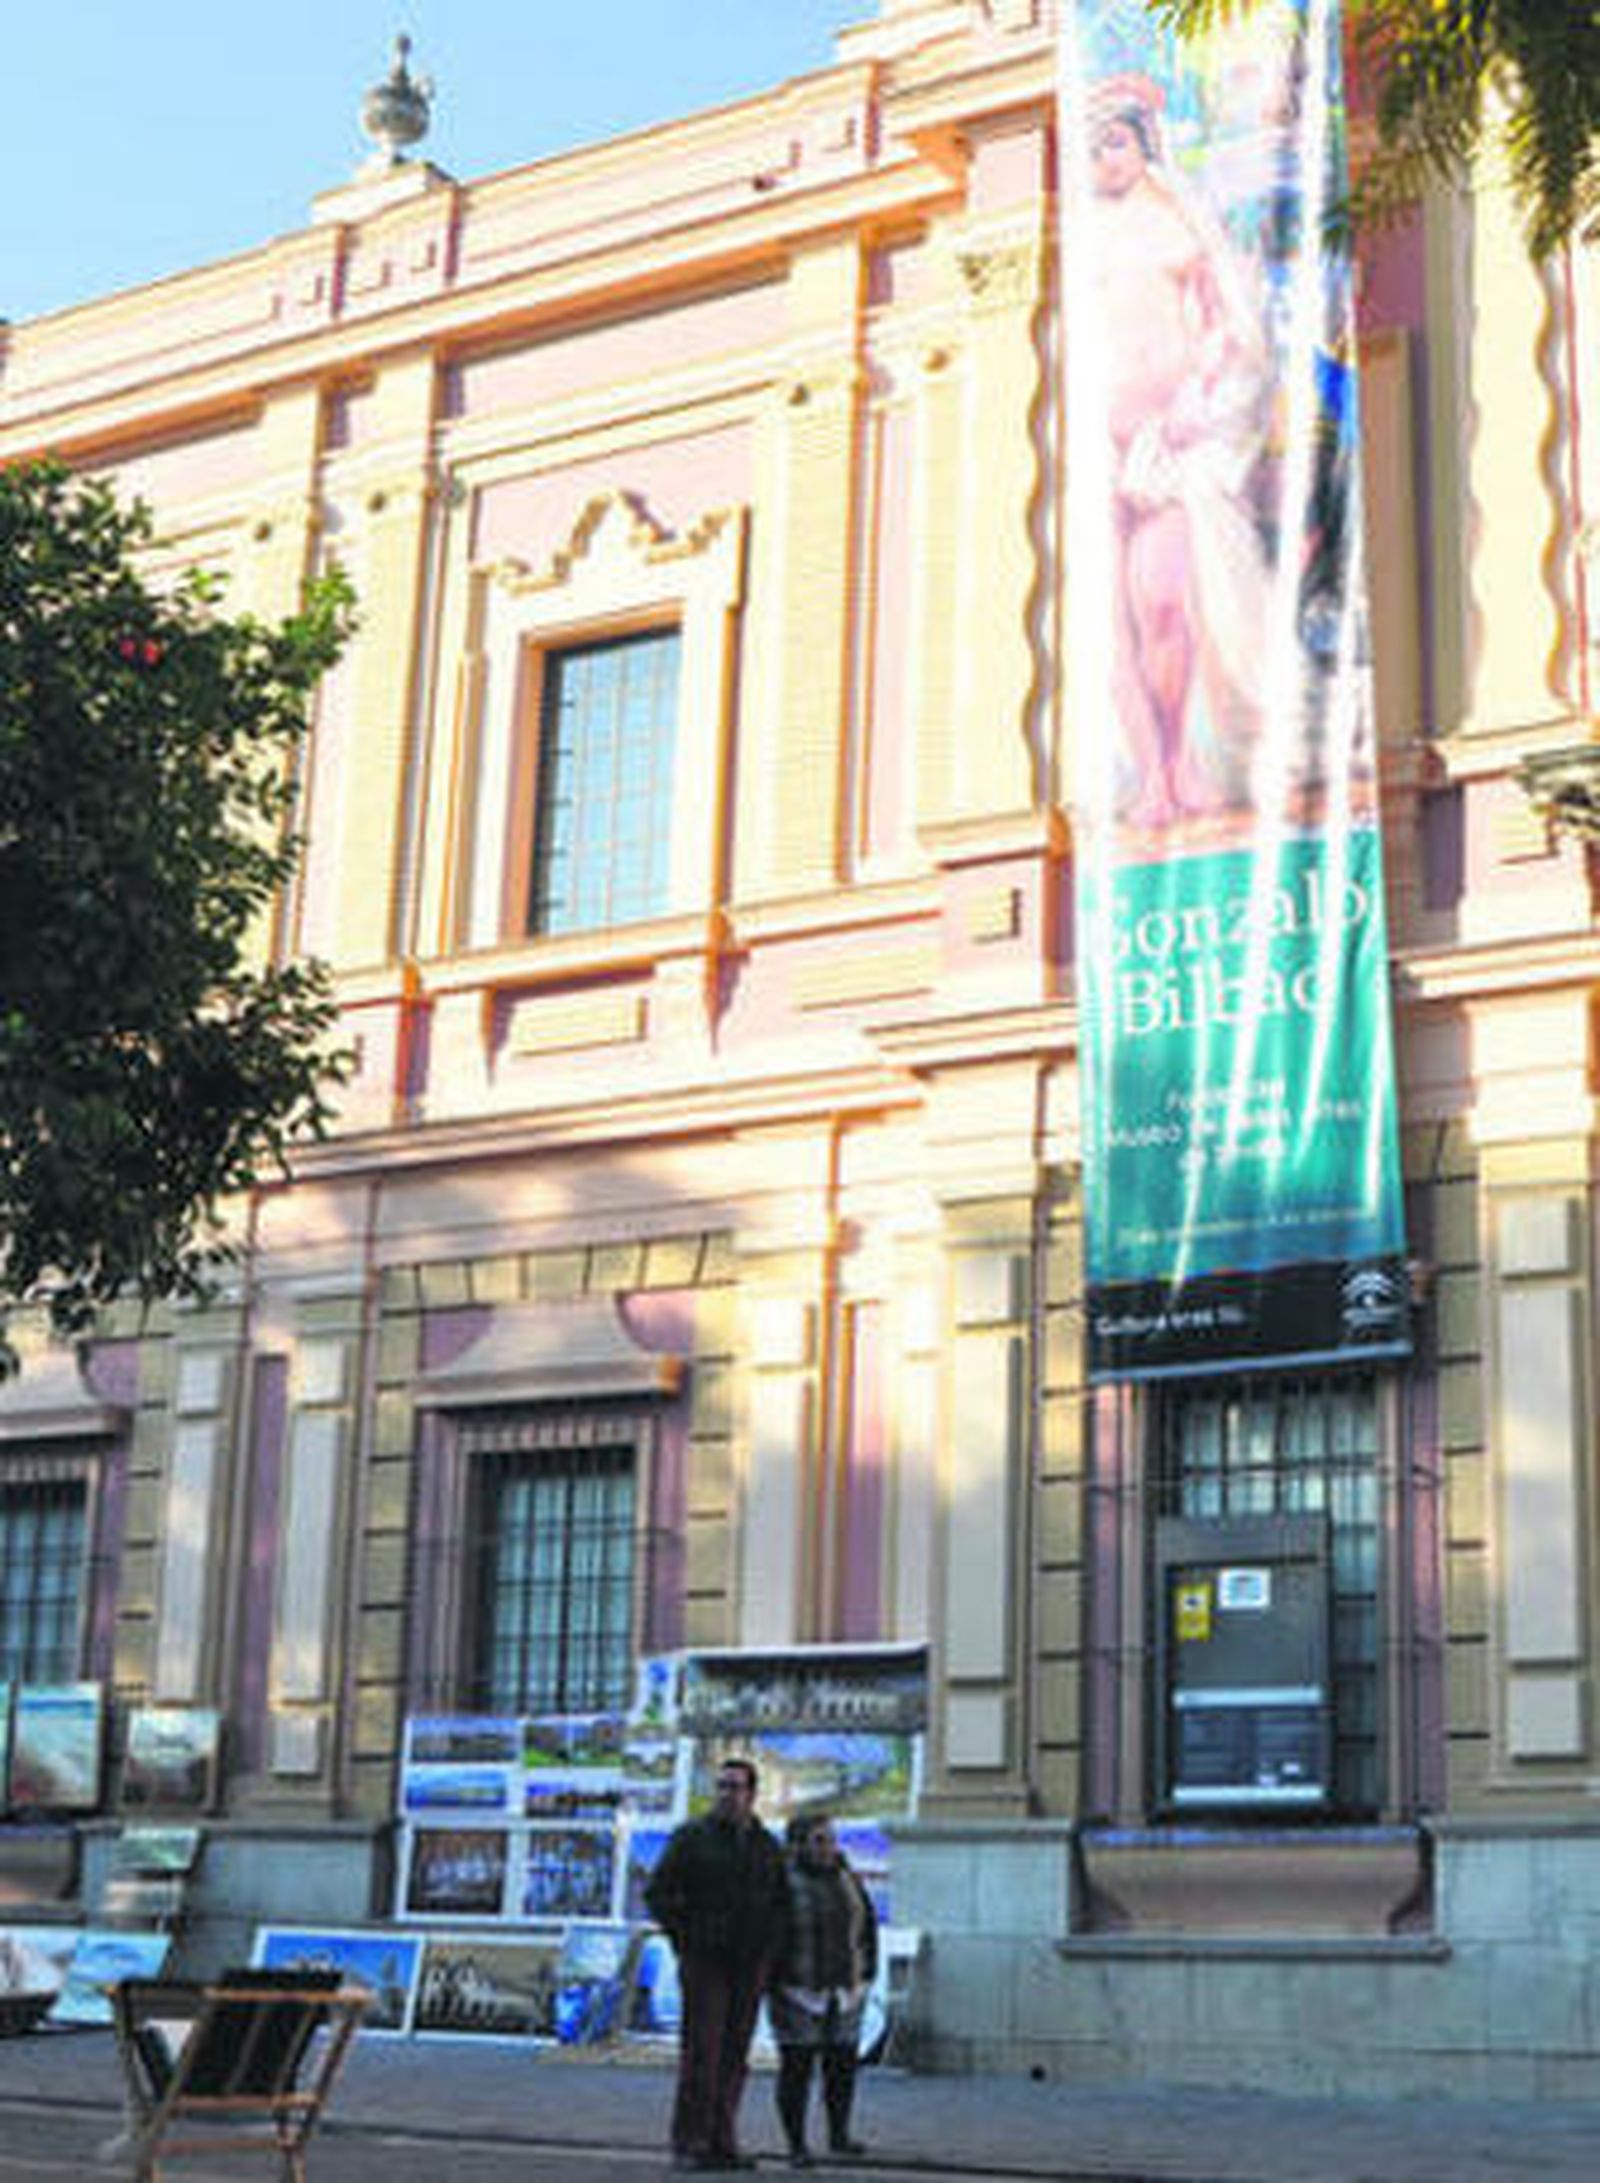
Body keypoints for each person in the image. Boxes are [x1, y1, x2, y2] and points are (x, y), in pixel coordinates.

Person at [1083, 72, 1274, 831]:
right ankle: (1153, 776)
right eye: (1092, 146)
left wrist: (1200, 398)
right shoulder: (1077, 232)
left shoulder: (1181, 220)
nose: (1104, 158)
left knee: (1163, 602)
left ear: (1143, 143)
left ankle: (1181, 758)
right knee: (1110, 620)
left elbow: (1227, 321)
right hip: (1096, 443)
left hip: (1166, 440)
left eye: (1115, 141)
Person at [645, 1755, 788, 2172]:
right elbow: (658, 1894)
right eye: (722, 1786)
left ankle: (723, 2141)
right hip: (705, 1961)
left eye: (735, 1787)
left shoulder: (765, 1846)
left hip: (748, 1963)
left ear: (752, 1794)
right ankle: (690, 2142)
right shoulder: (692, 1838)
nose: (727, 1794)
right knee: (702, 2054)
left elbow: (781, 1904)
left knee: (734, 2056)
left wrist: (769, 1952)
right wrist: (686, 1938)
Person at [770, 1814, 879, 2169]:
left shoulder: (847, 1877)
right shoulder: (783, 1881)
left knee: (842, 2066)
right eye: (819, 1840)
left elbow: (866, 1926)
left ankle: (839, 2134)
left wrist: (867, 1973)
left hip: (846, 1988)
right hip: (798, 1988)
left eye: (831, 1839)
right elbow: (770, 1932)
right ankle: (797, 2144)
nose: (828, 1848)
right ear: (798, 1845)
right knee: (797, 2069)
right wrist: (775, 1978)